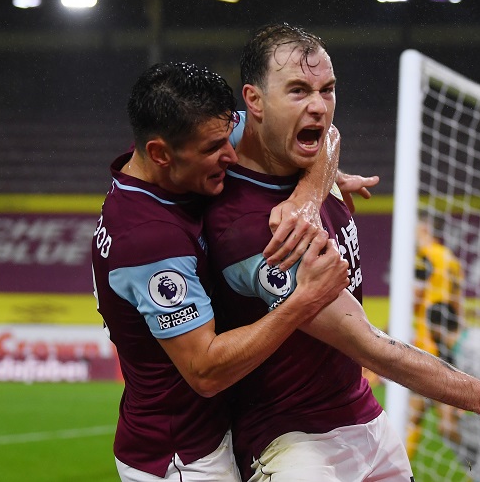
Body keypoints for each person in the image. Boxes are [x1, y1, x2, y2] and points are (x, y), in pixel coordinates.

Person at [204, 22, 480, 482]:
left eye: (328, 89)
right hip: (293, 441)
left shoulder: (305, 172)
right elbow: (368, 344)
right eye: (298, 90)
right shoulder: (255, 229)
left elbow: (330, 136)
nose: (319, 107)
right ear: (254, 101)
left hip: (364, 418)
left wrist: (310, 193)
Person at [91, 61, 356, 481]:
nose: (232, 155)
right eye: (215, 149)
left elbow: (324, 135)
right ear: (159, 153)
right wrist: (302, 301)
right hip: (183, 454)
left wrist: (314, 187)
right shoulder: (149, 240)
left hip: (223, 430)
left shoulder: (187, 137)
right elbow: (205, 371)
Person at [406, 218, 464, 459]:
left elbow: (415, 298)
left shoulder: (425, 257)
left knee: (442, 423)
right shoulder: (451, 259)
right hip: (445, 342)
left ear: (427, 230)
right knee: (414, 416)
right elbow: (458, 304)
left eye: (418, 228)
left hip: (427, 342)